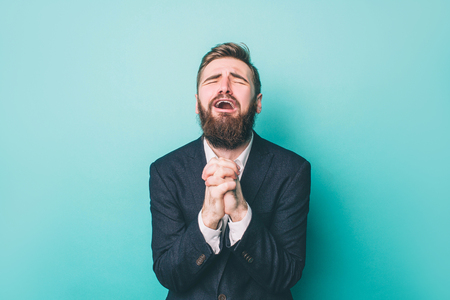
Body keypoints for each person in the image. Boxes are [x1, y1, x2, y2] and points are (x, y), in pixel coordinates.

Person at [149, 42, 311, 300]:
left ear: (257, 103)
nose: (224, 86)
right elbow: (169, 274)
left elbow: (285, 275)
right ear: (197, 102)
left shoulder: (293, 170)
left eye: (238, 80)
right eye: (213, 80)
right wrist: (208, 220)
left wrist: (240, 213)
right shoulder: (165, 171)